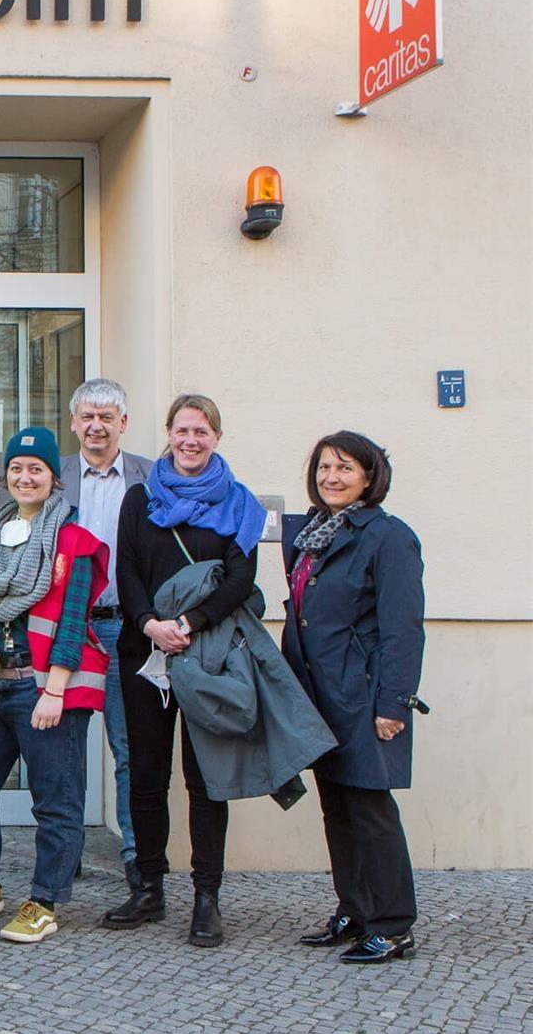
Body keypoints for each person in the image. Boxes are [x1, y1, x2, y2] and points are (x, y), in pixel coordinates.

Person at [103, 393, 265, 947]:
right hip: (144, 653)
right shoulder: (140, 498)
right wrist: (150, 623)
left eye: (201, 431)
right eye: (182, 430)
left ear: (216, 437)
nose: (190, 440)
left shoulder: (239, 503)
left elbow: (241, 580)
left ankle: (207, 896)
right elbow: (126, 570)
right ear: (168, 434)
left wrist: (191, 623)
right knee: (146, 776)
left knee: (205, 780)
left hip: (209, 655)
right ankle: (149, 886)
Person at [0, 428, 110, 944]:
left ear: (53, 478)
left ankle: (45, 899)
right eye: (17, 468)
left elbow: (72, 618)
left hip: (43, 687)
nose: (25, 476)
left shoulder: (74, 540)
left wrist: (55, 690)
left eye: (35, 468)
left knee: (55, 799)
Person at [282, 432, 427, 964]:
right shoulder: (315, 534)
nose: (332, 477)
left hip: (364, 698)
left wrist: (394, 705)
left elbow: (403, 629)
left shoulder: (388, 537)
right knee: (336, 807)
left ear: (370, 476)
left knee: (371, 810)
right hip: (320, 697)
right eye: (323, 467)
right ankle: (355, 909)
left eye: (344, 468)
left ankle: (393, 925)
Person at [62, 377, 152, 892]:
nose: (97, 426)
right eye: (88, 417)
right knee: (66, 750)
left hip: (127, 629)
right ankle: (65, 850)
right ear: (74, 423)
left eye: (107, 417)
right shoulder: (55, 480)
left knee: (128, 746)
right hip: (71, 631)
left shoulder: (150, 478)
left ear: (123, 423)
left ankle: (137, 854)